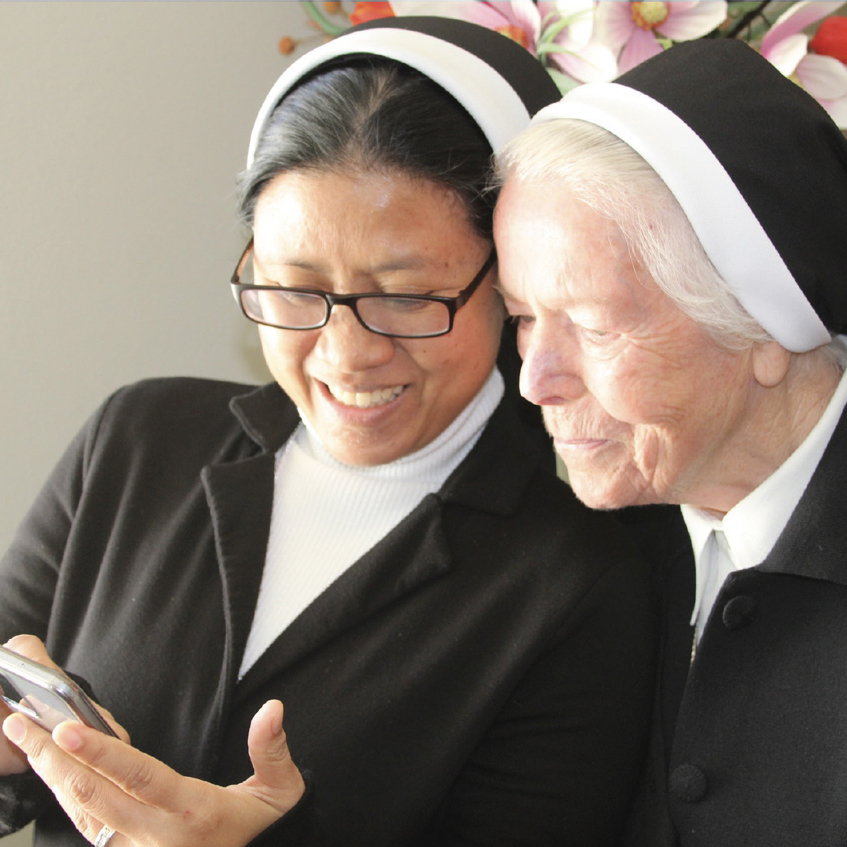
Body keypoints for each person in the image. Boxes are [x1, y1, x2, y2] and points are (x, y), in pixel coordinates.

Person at [0, 16, 658, 847]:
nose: (346, 353)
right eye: (295, 287)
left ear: (512, 281)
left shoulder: (581, 581)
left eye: (406, 296)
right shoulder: (137, 439)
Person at [493, 35, 847, 847]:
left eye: (590, 325)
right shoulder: (582, 554)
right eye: (521, 318)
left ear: (764, 331)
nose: (534, 380)